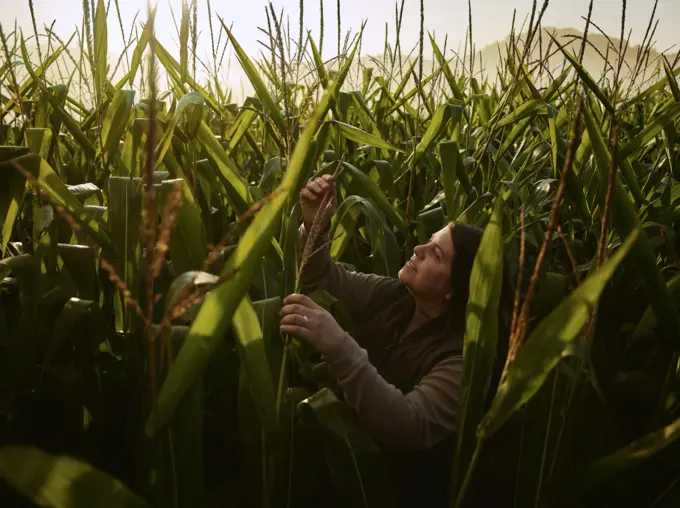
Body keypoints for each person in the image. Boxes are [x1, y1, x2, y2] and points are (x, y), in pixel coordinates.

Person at [279, 174, 513, 507]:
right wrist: (315, 225)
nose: (417, 250)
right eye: (427, 242)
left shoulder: (464, 361)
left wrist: (339, 346)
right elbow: (322, 278)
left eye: (435, 254)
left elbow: (409, 424)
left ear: (456, 288)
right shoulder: (394, 295)